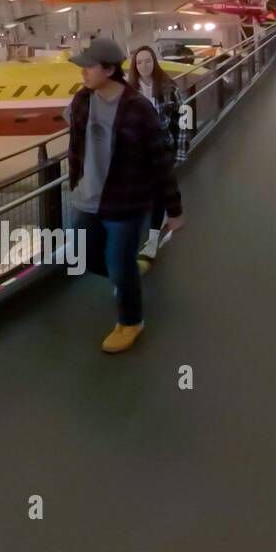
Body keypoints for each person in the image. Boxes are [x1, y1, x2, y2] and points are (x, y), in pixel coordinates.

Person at [62, 34, 181, 354]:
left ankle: (131, 321)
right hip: (86, 199)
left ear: (109, 70)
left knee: (118, 264)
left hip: (125, 202)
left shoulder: (137, 108)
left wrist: (174, 208)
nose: (83, 72)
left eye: (89, 66)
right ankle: (125, 273)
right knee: (86, 257)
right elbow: (74, 131)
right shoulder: (82, 100)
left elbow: (159, 159)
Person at [127, 46, 182, 159]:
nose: (144, 66)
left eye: (148, 61)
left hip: (164, 147)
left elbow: (183, 118)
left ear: (154, 62)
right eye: (139, 62)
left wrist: (181, 150)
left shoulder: (169, 87)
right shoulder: (128, 91)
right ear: (135, 66)